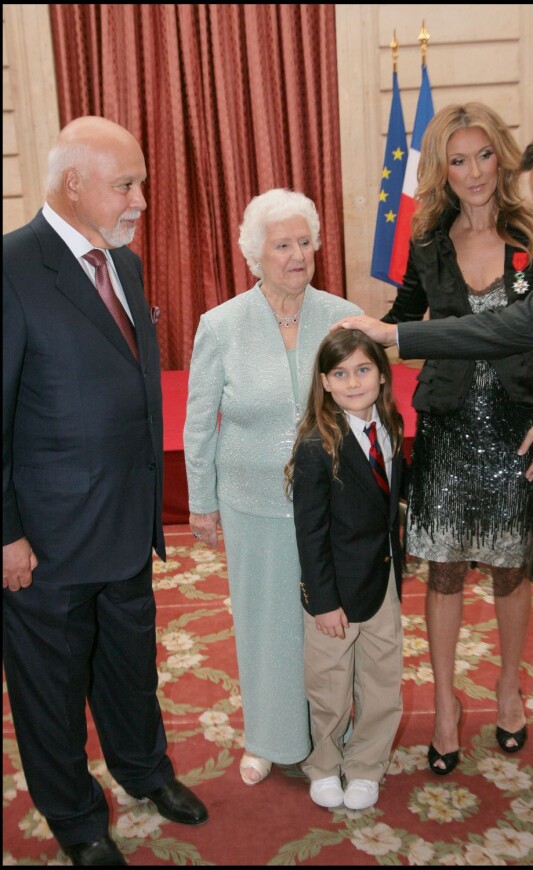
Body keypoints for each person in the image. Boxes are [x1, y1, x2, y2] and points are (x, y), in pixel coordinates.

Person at [331, 114, 533, 823]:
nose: (472, 173)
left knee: (509, 568)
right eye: (457, 161)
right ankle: (444, 707)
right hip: (442, 423)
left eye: (482, 158)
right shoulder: (429, 239)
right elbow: (405, 318)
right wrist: (348, 344)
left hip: (515, 425)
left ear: (500, 161)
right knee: (440, 570)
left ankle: (505, 689)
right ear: (442, 167)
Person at [3, 116, 208, 867]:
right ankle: (78, 821)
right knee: (51, 694)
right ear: (73, 183)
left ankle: (145, 772)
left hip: (126, 522)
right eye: (127, 185)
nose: (141, 201)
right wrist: (4, 532)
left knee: (130, 668)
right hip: (45, 542)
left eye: (141, 183)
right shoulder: (12, 267)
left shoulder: (122, 263)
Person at [183, 188, 363, 787]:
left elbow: (366, 406)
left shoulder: (341, 314)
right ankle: (266, 736)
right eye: (282, 244)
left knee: (329, 624)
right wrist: (202, 503)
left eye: (304, 242)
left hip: (332, 502)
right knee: (265, 622)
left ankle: (326, 739)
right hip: (251, 500)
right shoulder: (222, 324)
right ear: (254, 255)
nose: (296, 255)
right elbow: (198, 419)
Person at [284, 329, 405, 811]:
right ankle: (325, 762)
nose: (354, 381)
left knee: (381, 682)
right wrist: (323, 601)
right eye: (341, 373)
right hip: (335, 592)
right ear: (325, 382)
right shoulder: (318, 445)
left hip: (384, 582)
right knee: (329, 686)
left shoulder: (390, 428)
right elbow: (309, 533)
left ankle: (367, 764)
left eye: (363, 369)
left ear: (380, 374)